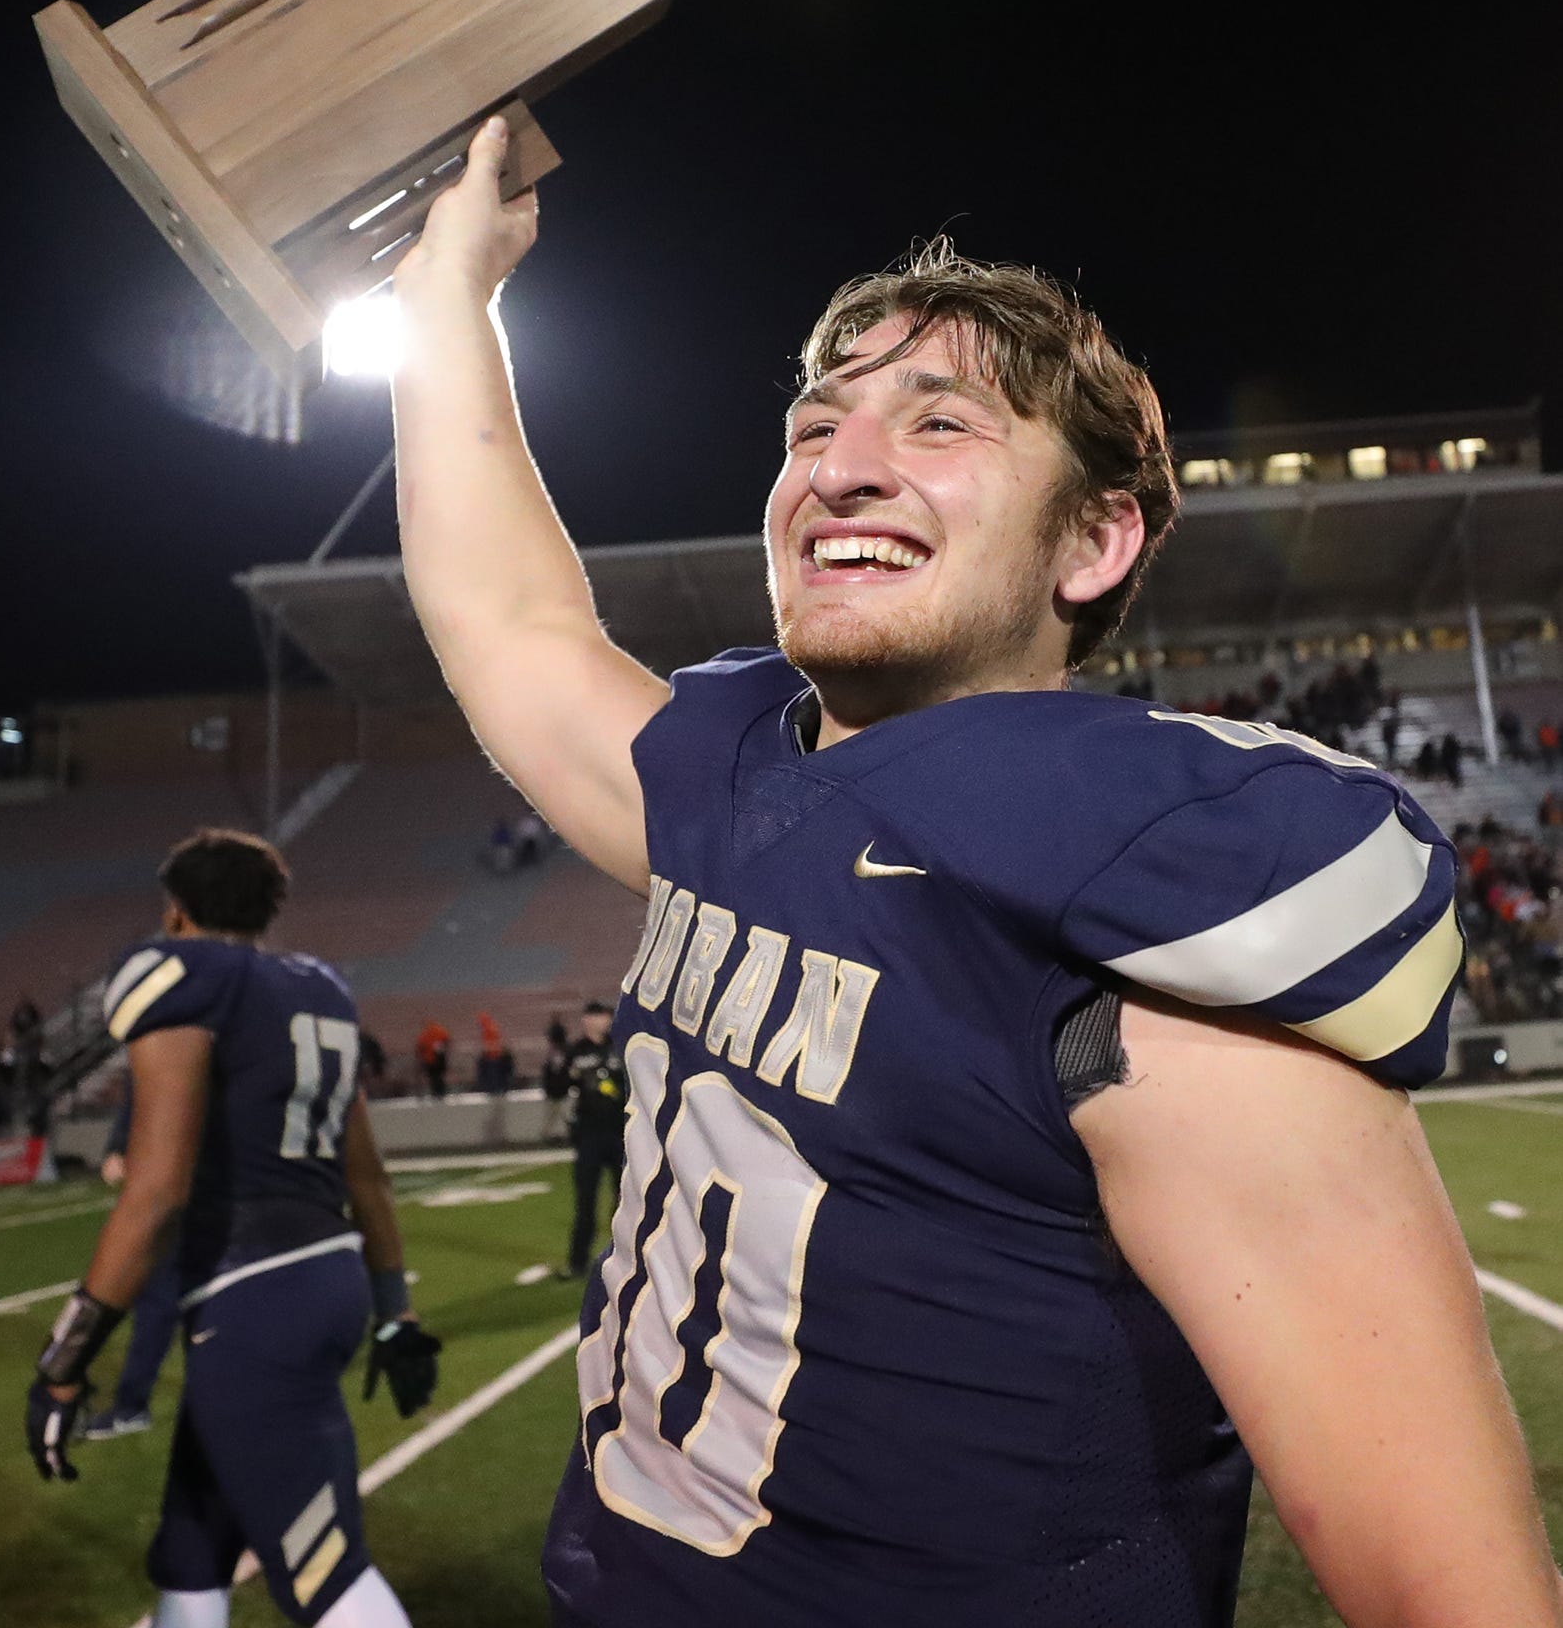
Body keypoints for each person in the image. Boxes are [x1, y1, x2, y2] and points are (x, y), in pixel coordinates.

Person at [390, 118, 1562, 1626]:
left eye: (939, 427)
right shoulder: (739, 777)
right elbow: (509, 620)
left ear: (1094, 544)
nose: (843, 469)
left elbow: (1453, 1599)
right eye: (815, 429)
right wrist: (450, 296)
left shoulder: (1149, 944)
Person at [25, 828, 440, 1628]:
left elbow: (155, 1193)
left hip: (254, 1296)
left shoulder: (183, 976)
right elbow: (367, 1178)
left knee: (324, 1574)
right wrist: (397, 1312)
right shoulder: (318, 986)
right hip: (328, 1279)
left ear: (174, 914)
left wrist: (63, 1362)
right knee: (191, 1553)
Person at [81, 1075, 182, 1440]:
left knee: (158, 1297)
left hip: (187, 1183)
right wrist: (118, 1146)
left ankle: (131, 1406)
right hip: (198, 1182)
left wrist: (121, 1144)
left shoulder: (180, 1027)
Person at [558, 1003, 626, 1281]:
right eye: (595, 1016)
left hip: (620, 1133)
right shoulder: (575, 1052)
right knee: (585, 1201)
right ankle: (577, 1262)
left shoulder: (620, 1047)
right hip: (588, 1136)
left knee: (625, 1200)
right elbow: (556, 1086)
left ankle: (626, 1258)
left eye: (603, 1016)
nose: (600, 1021)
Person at [540, 1018, 571, 1144]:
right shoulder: (563, 1050)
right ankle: (553, 1135)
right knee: (557, 1114)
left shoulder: (558, 1052)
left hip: (558, 1089)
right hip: (560, 1089)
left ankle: (551, 1136)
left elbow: (554, 1072)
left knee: (556, 1114)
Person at [414, 1020, 449, 1099]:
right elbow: (446, 1041)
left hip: (429, 1061)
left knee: (433, 1078)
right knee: (439, 1077)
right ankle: (441, 1093)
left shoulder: (424, 1035)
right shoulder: (440, 1031)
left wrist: (420, 1058)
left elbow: (420, 1048)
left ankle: (436, 1093)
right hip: (439, 1059)